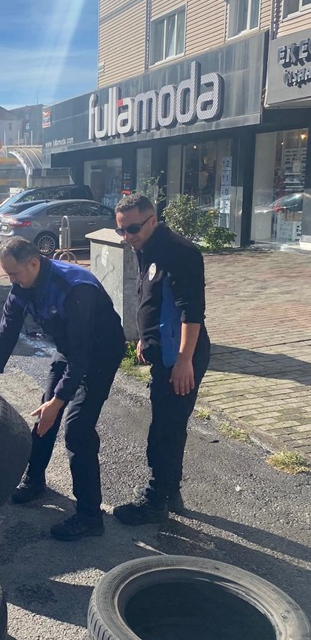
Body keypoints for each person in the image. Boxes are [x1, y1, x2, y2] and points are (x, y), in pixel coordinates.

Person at [0, 237, 125, 541]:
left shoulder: (74, 287)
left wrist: (59, 401)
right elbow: (5, 334)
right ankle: (35, 480)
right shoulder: (22, 285)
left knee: (77, 429)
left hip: (99, 354)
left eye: (14, 273)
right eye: (8, 275)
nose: (11, 280)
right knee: (44, 414)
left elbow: (82, 355)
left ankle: (90, 517)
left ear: (33, 263)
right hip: (68, 350)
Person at [112, 193, 210, 525]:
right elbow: (152, 299)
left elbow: (191, 312)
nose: (128, 237)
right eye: (122, 230)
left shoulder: (180, 252)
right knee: (171, 425)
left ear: (153, 220)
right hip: (165, 352)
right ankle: (170, 492)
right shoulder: (146, 247)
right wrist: (145, 338)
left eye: (133, 229)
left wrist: (183, 360)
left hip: (180, 357)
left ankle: (155, 501)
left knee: (164, 430)